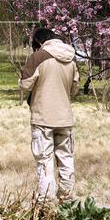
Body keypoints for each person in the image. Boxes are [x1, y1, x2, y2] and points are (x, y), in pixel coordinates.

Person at [19, 27, 80, 204]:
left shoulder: (38, 57)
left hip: (43, 117)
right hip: (65, 118)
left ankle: (46, 200)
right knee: (66, 157)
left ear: (38, 42)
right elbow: (74, 88)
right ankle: (67, 198)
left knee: (44, 159)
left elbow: (25, 84)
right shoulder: (71, 58)